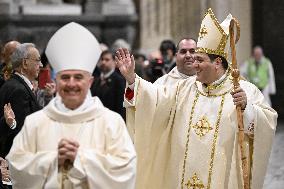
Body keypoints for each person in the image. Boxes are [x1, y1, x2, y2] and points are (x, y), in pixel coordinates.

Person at [116, 8, 277, 189]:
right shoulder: (185, 88)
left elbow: (268, 122)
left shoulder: (243, 91)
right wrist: (132, 80)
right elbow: (156, 99)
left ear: (217, 63)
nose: (194, 64)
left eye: (200, 60)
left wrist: (247, 109)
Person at [6, 22, 136, 189]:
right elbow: (17, 167)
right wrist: (53, 160)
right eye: (65, 77)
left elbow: (127, 170)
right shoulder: (36, 123)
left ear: (90, 82)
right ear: (56, 81)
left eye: (78, 77)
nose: (71, 83)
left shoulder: (111, 122)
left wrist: (82, 160)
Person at [0, 43, 42, 158]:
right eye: (38, 60)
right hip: (17, 159)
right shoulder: (19, 90)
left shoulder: (14, 85)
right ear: (25, 63)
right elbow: (21, 131)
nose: (41, 65)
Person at [91, 50, 126, 119]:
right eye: (102, 59)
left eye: (107, 60)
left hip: (111, 119)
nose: (103, 62)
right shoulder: (96, 79)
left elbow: (121, 106)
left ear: (115, 62)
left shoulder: (119, 80)